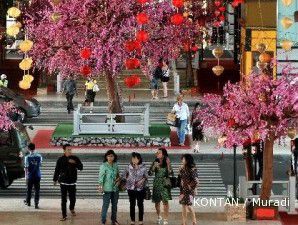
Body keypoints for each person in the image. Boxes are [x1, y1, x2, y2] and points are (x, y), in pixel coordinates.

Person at [53, 144, 83, 221]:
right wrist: (55, 179)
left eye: (70, 149)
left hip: (72, 182)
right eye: (68, 149)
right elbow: (57, 170)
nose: (70, 151)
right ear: (64, 150)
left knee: (73, 198)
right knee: (63, 200)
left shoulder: (75, 158)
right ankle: (64, 215)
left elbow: (81, 167)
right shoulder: (60, 159)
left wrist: (74, 163)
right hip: (63, 182)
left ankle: (71, 208)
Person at [121, 152, 148, 225]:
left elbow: (146, 176)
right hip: (131, 189)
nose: (133, 160)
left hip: (141, 189)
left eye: (135, 158)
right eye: (132, 158)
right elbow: (123, 176)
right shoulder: (128, 167)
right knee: (132, 205)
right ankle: (132, 220)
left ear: (139, 159)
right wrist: (126, 180)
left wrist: (142, 180)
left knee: (140, 205)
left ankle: (140, 220)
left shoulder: (143, 167)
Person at [149, 148, 173, 225]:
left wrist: (169, 165)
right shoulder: (155, 162)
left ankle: (166, 219)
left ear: (163, 154)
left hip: (165, 184)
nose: (157, 154)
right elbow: (149, 173)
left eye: (159, 153)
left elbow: (171, 174)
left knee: (165, 202)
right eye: (157, 153)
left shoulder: (167, 162)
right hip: (157, 183)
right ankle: (159, 216)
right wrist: (153, 167)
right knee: (157, 203)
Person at [98, 150, 121, 225]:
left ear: (114, 157)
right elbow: (100, 178)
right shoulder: (103, 166)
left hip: (115, 189)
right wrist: (100, 187)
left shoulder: (115, 165)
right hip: (107, 189)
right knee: (105, 205)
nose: (110, 158)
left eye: (112, 156)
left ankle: (114, 220)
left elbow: (118, 175)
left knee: (114, 206)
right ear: (106, 157)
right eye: (108, 156)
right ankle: (103, 220)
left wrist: (118, 180)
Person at [178, 154, 199, 225]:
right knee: (183, 206)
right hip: (183, 190)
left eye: (183, 159)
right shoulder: (182, 168)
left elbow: (196, 180)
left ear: (187, 160)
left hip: (190, 191)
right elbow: (180, 177)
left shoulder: (192, 169)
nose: (182, 160)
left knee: (189, 206)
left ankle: (194, 221)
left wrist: (191, 187)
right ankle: (183, 222)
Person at [24, 143, 42, 209]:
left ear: (28, 148)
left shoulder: (27, 157)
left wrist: (26, 176)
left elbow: (26, 167)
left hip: (30, 175)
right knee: (37, 190)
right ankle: (36, 204)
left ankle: (28, 202)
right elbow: (40, 165)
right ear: (34, 148)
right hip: (37, 175)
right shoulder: (39, 156)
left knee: (29, 189)